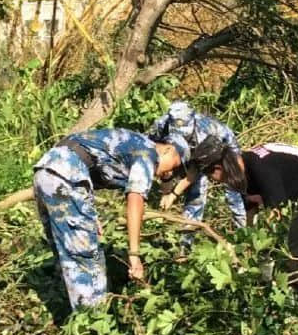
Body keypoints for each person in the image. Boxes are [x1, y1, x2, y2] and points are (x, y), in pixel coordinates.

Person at [32, 128, 191, 310]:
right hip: (67, 174)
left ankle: (66, 313)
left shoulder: (131, 144)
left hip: (46, 170)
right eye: (175, 166)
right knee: (86, 260)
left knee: (66, 252)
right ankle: (92, 323)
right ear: (169, 149)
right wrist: (134, 255)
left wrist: (87, 208)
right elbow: (135, 198)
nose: (169, 174)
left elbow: (84, 156)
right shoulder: (148, 152)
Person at [194, 138, 298, 284]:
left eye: (209, 175)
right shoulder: (243, 173)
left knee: (289, 252)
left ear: (218, 168)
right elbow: (250, 213)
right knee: (283, 251)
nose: (214, 180)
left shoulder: (261, 169)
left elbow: (277, 214)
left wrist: (261, 251)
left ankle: (297, 298)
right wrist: (247, 245)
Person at [149, 102, 246, 243]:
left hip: (223, 151)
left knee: (221, 191)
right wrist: (166, 191)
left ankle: (243, 234)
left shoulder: (205, 131)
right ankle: (185, 243)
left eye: (185, 134)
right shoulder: (161, 126)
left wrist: (173, 195)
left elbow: (195, 171)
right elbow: (156, 156)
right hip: (189, 154)